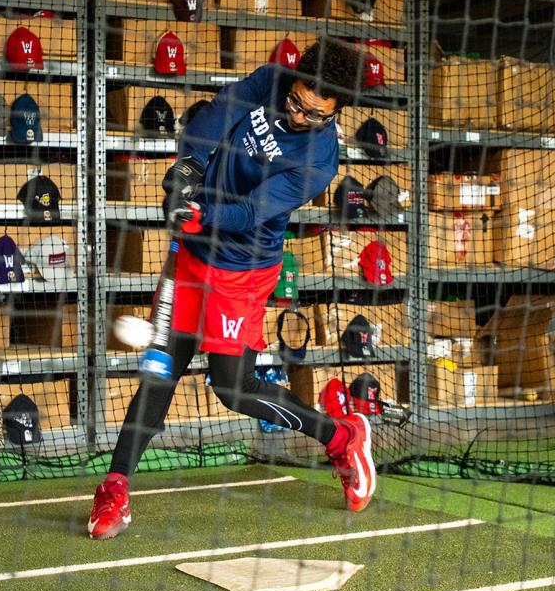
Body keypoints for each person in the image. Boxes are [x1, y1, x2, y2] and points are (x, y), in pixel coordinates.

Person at [89, 39, 374, 540]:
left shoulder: (319, 161)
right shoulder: (270, 80)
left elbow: (249, 213)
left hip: (241, 269)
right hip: (191, 258)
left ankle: (341, 436)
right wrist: (188, 171)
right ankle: (114, 488)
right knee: (160, 371)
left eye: (315, 113)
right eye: (297, 103)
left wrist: (199, 214)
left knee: (231, 388)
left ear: (335, 111)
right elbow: (211, 120)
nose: (299, 114)